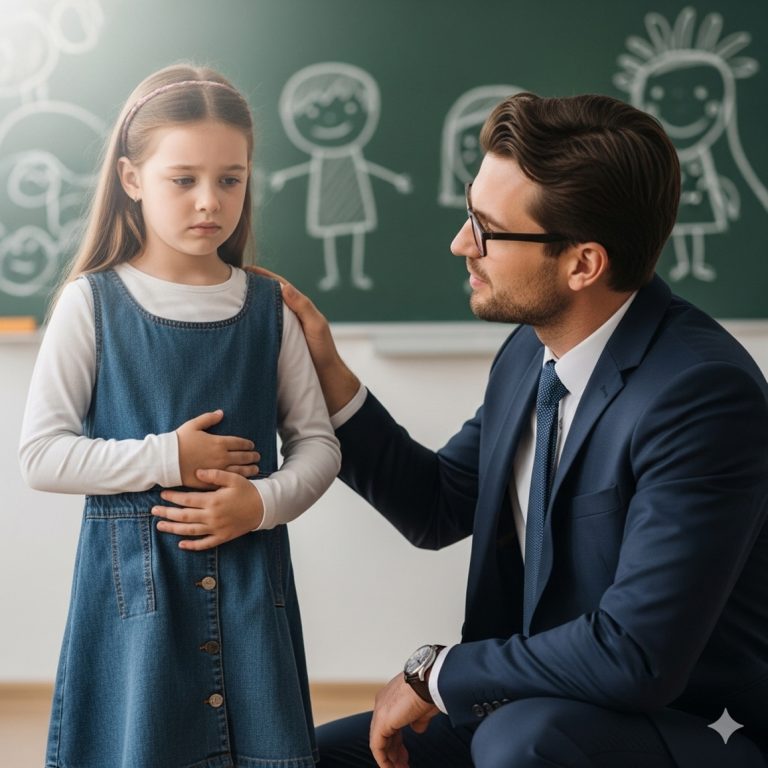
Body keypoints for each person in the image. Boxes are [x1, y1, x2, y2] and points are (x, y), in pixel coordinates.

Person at [263, 92, 768, 768]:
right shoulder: (532, 353)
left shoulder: (701, 395)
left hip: (692, 730)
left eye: (486, 228)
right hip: (538, 707)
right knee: (303, 758)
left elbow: (636, 654)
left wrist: (436, 674)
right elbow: (438, 504)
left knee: (516, 743)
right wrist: (323, 368)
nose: (460, 243)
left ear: (583, 263)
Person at [18, 64, 341, 768]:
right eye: (183, 179)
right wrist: (171, 458)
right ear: (132, 179)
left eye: (230, 179)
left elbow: (318, 445)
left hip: (254, 589)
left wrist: (258, 503)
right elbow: (41, 456)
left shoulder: (268, 308)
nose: (209, 201)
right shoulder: (91, 302)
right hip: (135, 605)